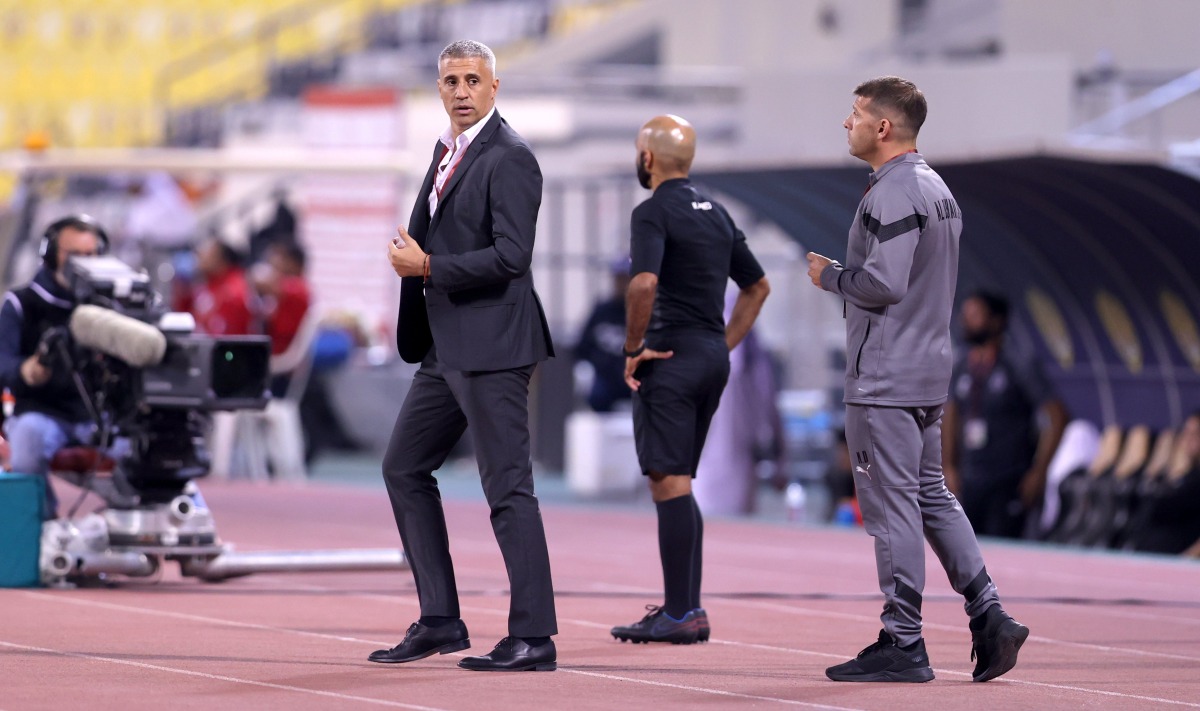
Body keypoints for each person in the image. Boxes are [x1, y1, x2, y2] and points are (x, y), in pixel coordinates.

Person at [806, 76, 1027, 683]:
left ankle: (904, 640)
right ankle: (989, 614)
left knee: (892, 508)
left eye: (853, 114)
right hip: (928, 369)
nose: (845, 123)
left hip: (885, 378)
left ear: (882, 127)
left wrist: (829, 276)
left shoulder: (892, 194)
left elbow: (883, 284)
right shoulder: (937, 188)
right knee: (931, 495)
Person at [369, 39, 558, 672]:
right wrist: (416, 258)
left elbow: (513, 256)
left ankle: (533, 636)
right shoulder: (447, 149)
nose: (461, 90)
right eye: (450, 79)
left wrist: (428, 266)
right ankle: (442, 620)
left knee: (508, 489)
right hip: (444, 346)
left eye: (473, 79)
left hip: (494, 344)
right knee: (403, 467)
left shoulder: (511, 158)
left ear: (495, 88)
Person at [610, 114, 770, 645]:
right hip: (709, 357)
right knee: (680, 481)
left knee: (669, 482)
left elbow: (644, 284)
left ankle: (681, 612)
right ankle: (686, 608)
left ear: (648, 159)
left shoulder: (652, 211)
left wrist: (634, 347)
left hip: (670, 355)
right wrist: (718, 347)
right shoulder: (718, 214)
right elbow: (758, 288)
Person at [0, 215, 108, 519]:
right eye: (74, 255)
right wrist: (25, 371)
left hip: (101, 418)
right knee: (28, 441)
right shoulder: (21, 303)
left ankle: (183, 525)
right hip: (41, 413)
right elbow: (2, 363)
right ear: (50, 255)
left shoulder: (111, 307)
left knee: (161, 444)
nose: (83, 264)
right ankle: (44, 530)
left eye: (90, 255)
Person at [943, 290, 1069, 539]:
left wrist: (1039, 472)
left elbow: (1057, 416)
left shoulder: (1018, 363)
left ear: (996, 321)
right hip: (969, 480)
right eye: (965, 314)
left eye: (975, 314)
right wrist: (948, 466)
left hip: (1008, 480)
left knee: (1002, 553)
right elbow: (950, 414)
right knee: (965, 553)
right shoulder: (961, 364)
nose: (966, 320)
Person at [573, 256, 632, 412]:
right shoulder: (602, 311)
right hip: (606, 379)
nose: (622, 285)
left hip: (636, 379)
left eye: (627, 279)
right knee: (597, 396)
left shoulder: (646, 313)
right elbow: (582, 347)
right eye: (619, 279)